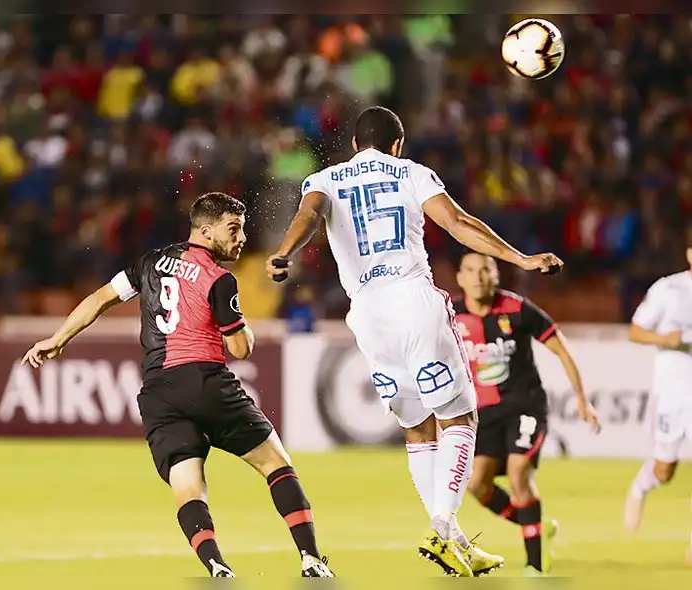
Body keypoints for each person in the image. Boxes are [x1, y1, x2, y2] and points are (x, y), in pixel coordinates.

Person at [266, 105, 563, 577]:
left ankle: (454, 540)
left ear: (354, 147)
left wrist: (284, 253)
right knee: (460, 418)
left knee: (419, 429)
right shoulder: (411, 172)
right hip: (412, 300)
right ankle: (442, 527)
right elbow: (458, 224)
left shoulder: (325, 179)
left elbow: (308, 215)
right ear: (397, 144)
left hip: (366, 315)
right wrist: (520, 259)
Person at [23, 192, 334, 579]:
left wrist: (58, 337)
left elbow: (101, 298)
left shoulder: (149, 262)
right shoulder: (220, 279)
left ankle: (216, 564)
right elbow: (240, 348)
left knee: (188, 486)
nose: (241, 239)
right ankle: (310, 559)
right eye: (233, 230)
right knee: (276, 464)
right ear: (205, 232)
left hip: (158, 393)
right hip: (204, 381)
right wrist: (244, 327)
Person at [455, 251, 600, 576]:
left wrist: (581, 398)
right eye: (471, 271)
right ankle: (535, 523)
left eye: (485, 270)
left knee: (520, 471)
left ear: (496, 276)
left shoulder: (517, 309)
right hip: (484, 413)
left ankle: (535, 565)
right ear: (460, 278)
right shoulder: (452, 317)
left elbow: (560, 347)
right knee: (477, 484)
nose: (478, 277)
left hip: (525, 405)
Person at [623, 224, 692, 565]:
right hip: (674, 393)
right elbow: (636, 330)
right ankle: (640, 487)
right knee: (666, 470)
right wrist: (665, 340)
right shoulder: (669, 289)